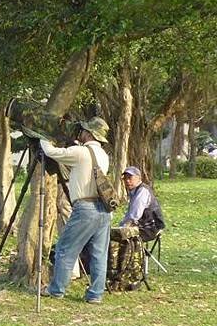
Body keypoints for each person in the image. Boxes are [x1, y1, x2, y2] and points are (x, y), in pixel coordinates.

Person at [39, 117, 111, 304]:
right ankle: (95, 294)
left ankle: (56, 289)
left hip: (85, 207)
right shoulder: (104, 155)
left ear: (87, 134)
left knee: (65, 249)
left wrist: (42, 137)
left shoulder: (80, 152)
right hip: (104, 209)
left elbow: (51, 152)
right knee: (99, 254)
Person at [119, 166, 165, 242]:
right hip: (144, 226)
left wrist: (121, 227)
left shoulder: (142, 192)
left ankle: (129, 253)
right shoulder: (134, 191)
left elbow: (134, 215)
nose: (127, 181)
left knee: (118, 237)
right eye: (125, 178)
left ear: (138, 178)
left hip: (150, 228)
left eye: (130, 178)